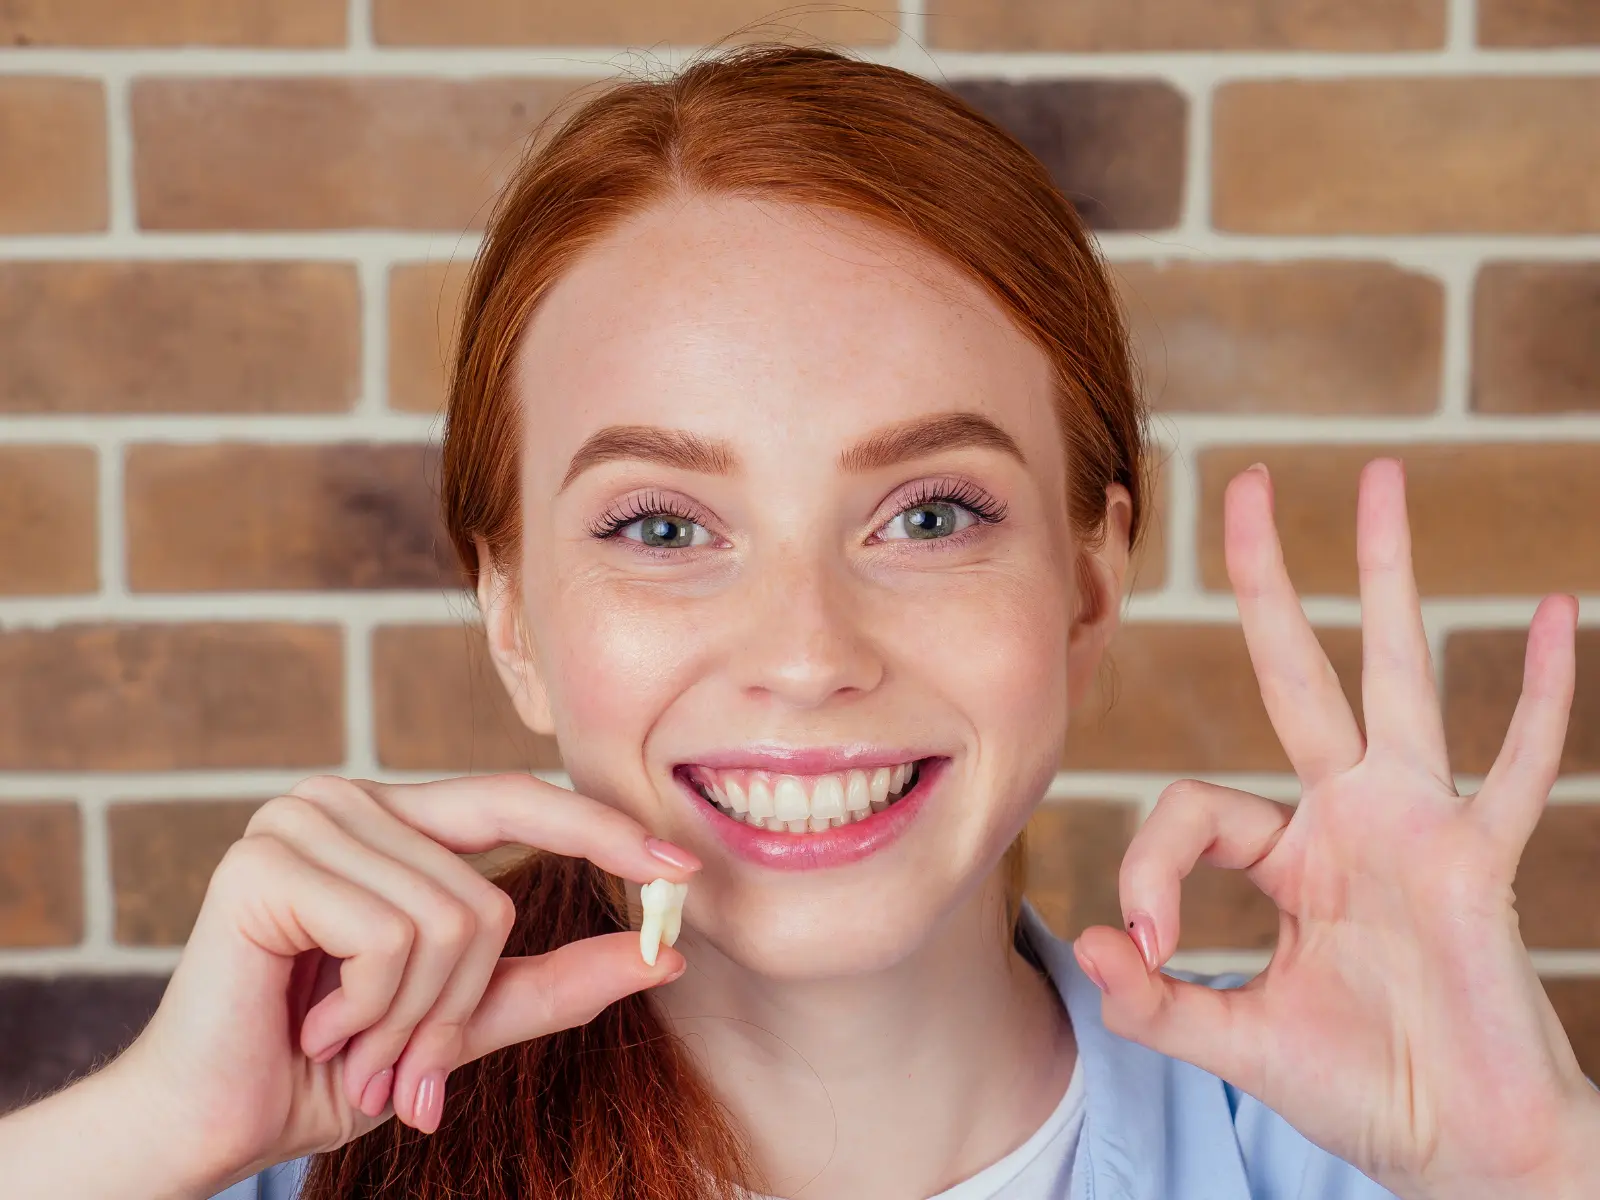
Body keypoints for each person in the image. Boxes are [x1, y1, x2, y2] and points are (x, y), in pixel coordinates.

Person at [1, 41, 1595, 1200]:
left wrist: (1537, 1166)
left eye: (929, 514)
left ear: (1091, 584)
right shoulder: (271, 1165)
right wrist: (149, 1135)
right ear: (510, 615)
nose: (808, 651)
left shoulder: (1382, 1160)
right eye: (663, 526)